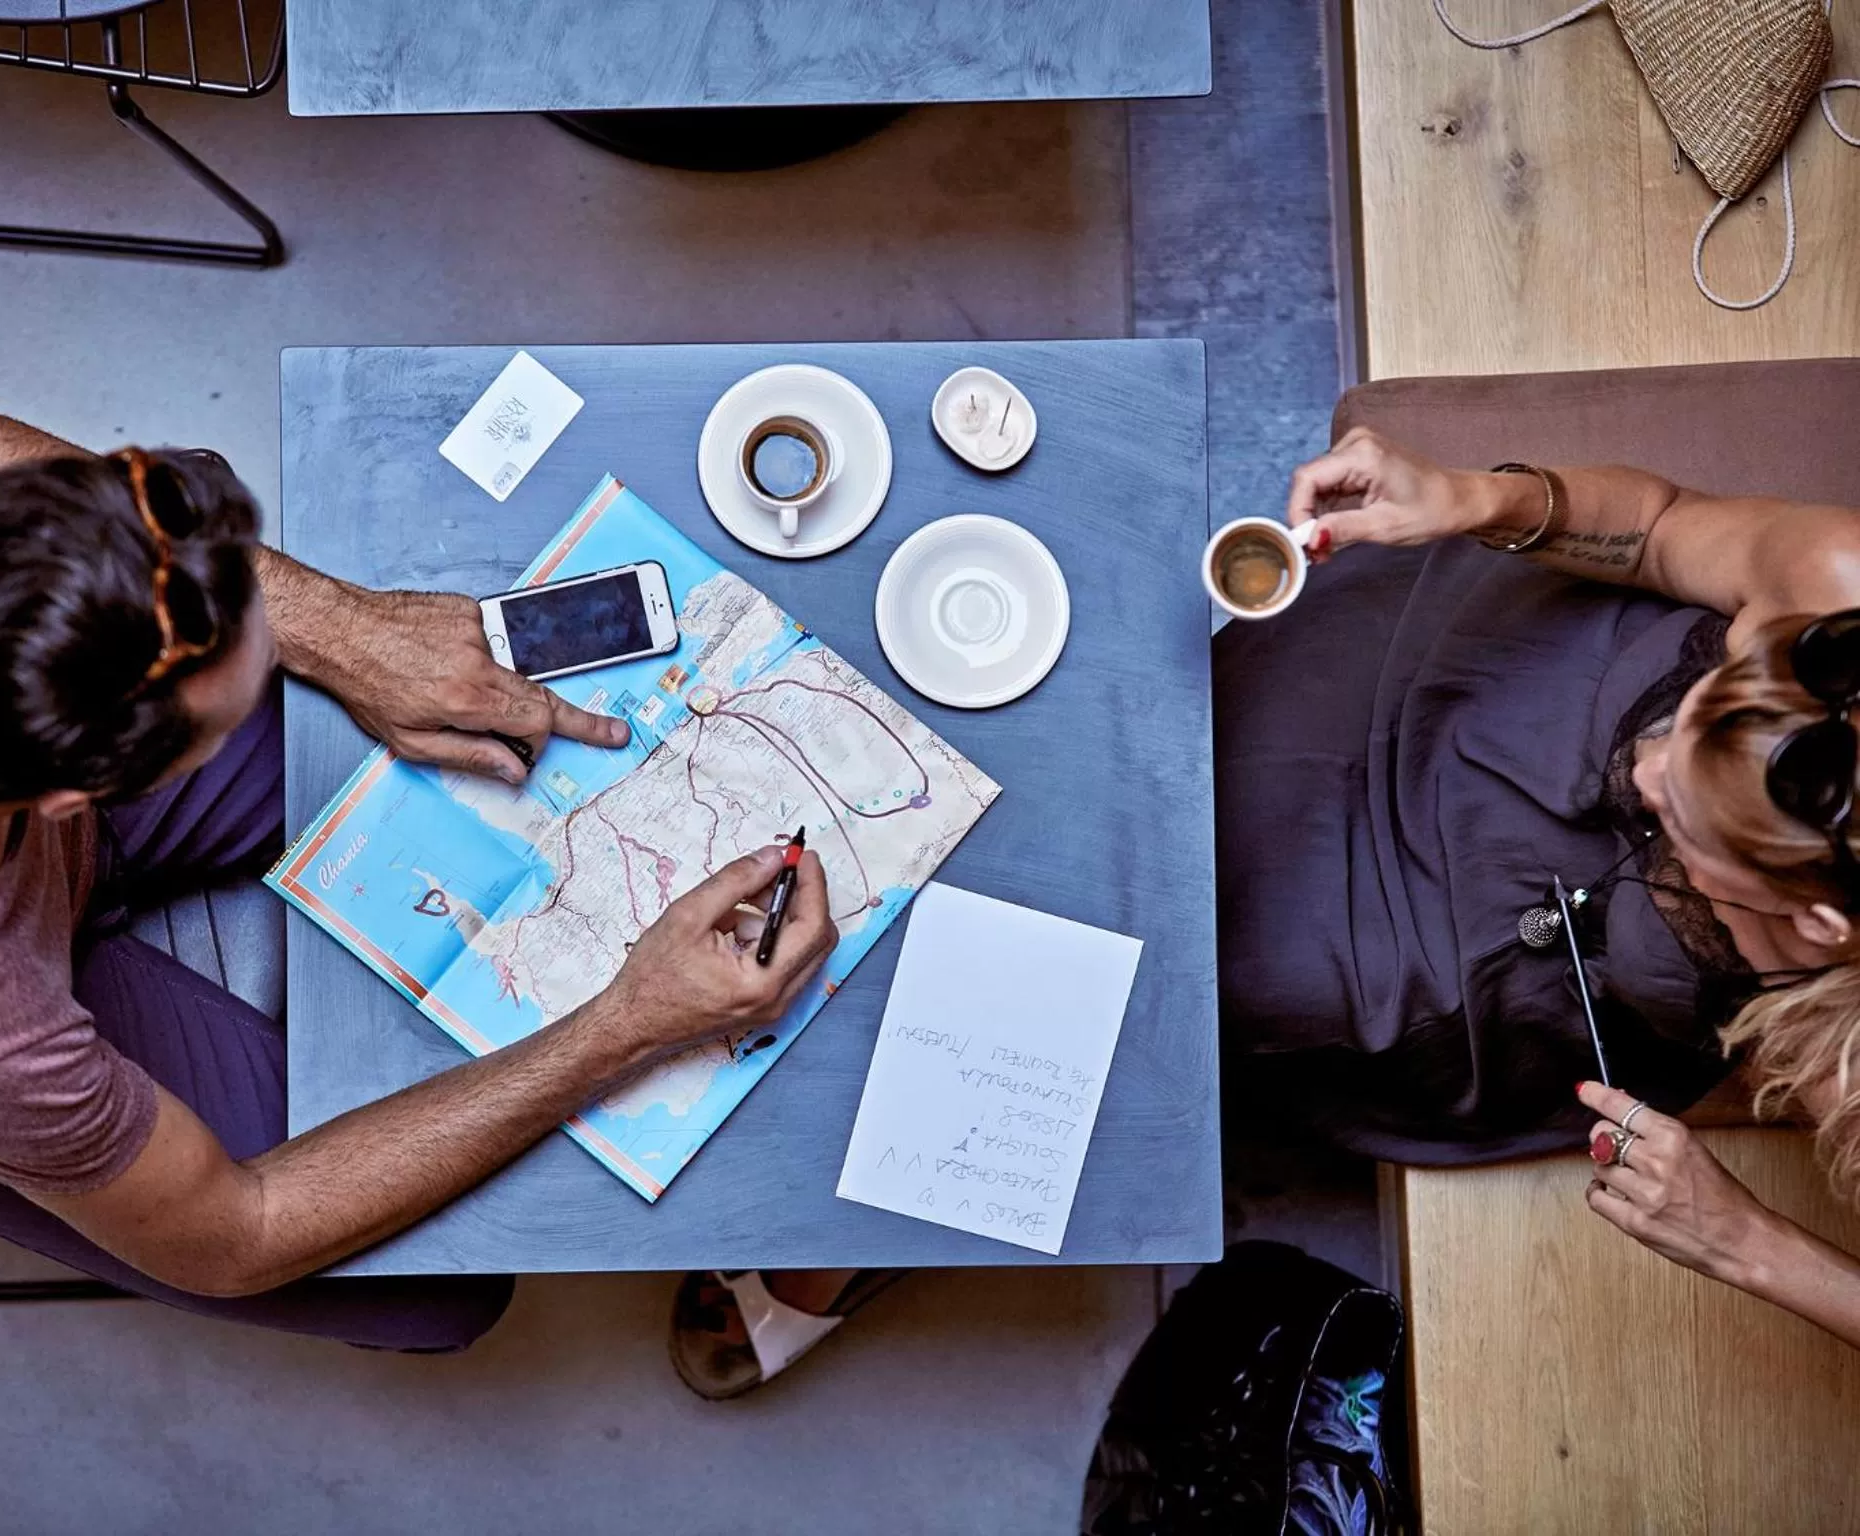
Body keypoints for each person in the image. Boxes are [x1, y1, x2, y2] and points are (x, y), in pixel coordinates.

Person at [672, 427, 1860, 1397]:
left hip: (1462, 959)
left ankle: (893, 1167)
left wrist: (1744, 1242)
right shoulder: (1839, 607)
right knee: (1136, 739)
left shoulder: (1839, 1039)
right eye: (1690, 712)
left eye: (1687, 829)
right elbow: (1655, 525)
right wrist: (1468, 498)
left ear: (1814, 938)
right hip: (1459, 673)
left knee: (1189, 977)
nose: (1643, 772)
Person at [0, 376, 837, 1349]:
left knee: (468, 727)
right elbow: (237, 1232)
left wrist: (342, 629)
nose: (267, 640)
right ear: (76, 793)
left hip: (0, 847)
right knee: (442, 1284)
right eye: (222, 693)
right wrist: (628, 1024)